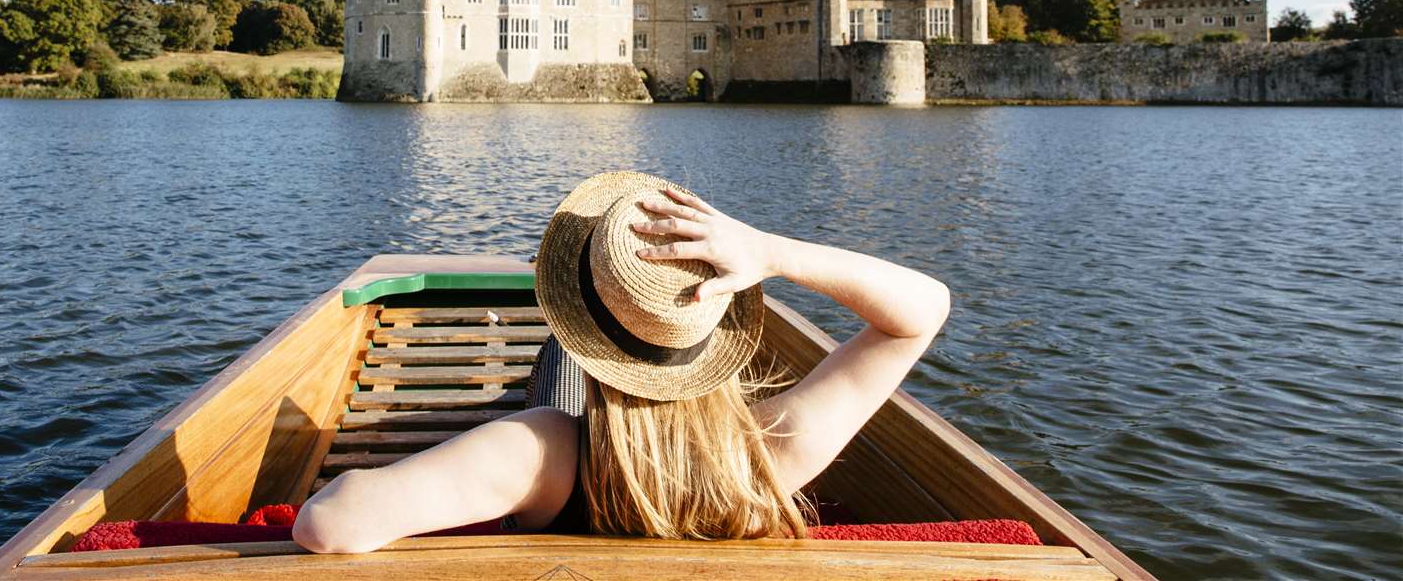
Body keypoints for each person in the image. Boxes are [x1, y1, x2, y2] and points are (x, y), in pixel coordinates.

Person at [293, 171, 950, 553]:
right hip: (707, 455)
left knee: (554, 385)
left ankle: (558, 356)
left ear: (579, 316)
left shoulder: (539, 450)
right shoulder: (774, 446)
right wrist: (773, 252)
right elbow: (923, 309)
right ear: (714, 320)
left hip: (560, 447)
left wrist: (528, 437)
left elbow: (326, 523)